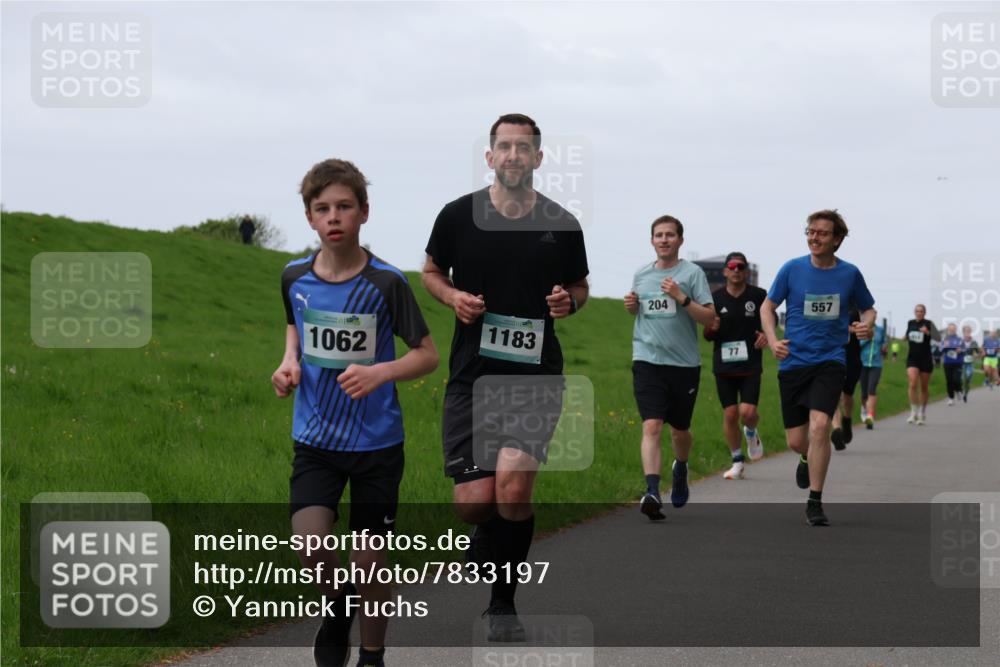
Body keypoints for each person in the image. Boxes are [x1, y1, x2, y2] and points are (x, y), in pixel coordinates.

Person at [421, 114, 589, 641]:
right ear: (490, 156)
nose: (514, 155)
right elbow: (429, 271)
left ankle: (502, 606)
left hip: (535, 375)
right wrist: (452, 297)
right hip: (472, 375)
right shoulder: (457, 216)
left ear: (539, 158)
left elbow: (580, 286)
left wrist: (569, 302)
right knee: (474, 503)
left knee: (513, 488)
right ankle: (486, 530)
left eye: (525, 148)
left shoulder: (561, 222)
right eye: (504, 147)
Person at [272, 159, 438, 667]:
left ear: (364, 212)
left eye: (344, 206)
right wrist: (288, 363)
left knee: (369, 563)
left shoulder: (387, 283)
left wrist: (380, 373)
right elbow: (296, 323)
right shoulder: (294, 277)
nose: (334, 216)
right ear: (309, 218)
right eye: (322, 208)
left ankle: (371, 655)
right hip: (316, 440)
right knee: (310, 546)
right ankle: (337, 609)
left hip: (376, 445)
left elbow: (427, 354)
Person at [761, 209, 875, 527]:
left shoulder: (849, 274)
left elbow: (869, 309)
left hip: (830, 360)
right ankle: (803, 457)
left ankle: (815, 500)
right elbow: (767, 307)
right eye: (810, 231)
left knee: (821, 426)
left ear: (837, 240)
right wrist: (772, 340)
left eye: (822, 233)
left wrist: (867, 326)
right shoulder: (792, 269)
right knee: (798, 441)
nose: (814, 237)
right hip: (794, 361)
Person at [625, 215, 714, 518]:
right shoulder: (641, 274)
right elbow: (643, 311)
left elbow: (709, 318)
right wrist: (633, 307)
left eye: (670, 235)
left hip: (684, 364)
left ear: (680, 240)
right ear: (652, 240)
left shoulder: (693, 274)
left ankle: (681, 468)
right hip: (647, 359)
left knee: (680, 431)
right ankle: (651, 490)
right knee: (651, 425)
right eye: (659, 235)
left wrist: (681, 297)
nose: (664, 240)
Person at [702, 251, 767, 480]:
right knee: (730, 414)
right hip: (724, 365)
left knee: (747, 412)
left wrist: (766, 335)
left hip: (750, 364)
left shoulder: (759, 295)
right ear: (725, 271)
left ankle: (751, 432)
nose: (736, 270)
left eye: (741, 267)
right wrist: (713, 328)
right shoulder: (715, 298)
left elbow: (771, 319)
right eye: (732, 266)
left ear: (746, 271)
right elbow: (707, 335)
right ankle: (737, 460)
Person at [830, 308, 862, 451]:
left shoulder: (855, 309)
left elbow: (867, 329)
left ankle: (847, 420)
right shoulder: (827, 303)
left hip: (852, 359)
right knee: (833, 395)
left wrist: (860, 329)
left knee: (847, 396)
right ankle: (837, 430)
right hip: (831, 357)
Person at [904, 305, 940, 425]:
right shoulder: (910, 323)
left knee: (924, 386)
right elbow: (907, 335)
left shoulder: (929, 323)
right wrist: (903, 338)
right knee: (913, 382)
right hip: (912, 358)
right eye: (917, 311)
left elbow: (938, 338)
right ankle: (913, 411)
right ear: (914, 312)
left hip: (925, 359)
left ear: (925, 312)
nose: (919, 313)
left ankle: (922, 412)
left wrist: (928, 332)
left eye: (921, 311)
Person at [858, 321, 887, 429]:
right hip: (862, 363)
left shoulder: (880, 330)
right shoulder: (861, 329)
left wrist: (884, 346)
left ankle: (870, 416)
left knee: (872, 389)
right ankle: (864, 409)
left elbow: (884, 341)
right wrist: (868, 338)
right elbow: (858, 345)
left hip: (876, 364)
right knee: (864, 392)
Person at [941, 323, 965, 406]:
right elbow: (940, 350)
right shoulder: (945, 339)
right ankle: (951, 398)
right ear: (948, 330)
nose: (952, 330)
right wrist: (944, 346)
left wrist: (960, 350)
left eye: (953, 329)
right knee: (949, 381)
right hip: (947, 363)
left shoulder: (960, 339)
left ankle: (959, 390)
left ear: (955, 330)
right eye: (950, 329)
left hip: (958, 362)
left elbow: (964, 349)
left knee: (956, 379)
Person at [960, 325, 980, 402]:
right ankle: (961, 388)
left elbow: (978, 352)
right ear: (963, 332)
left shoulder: (974, 342)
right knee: (962, 378)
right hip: (962, 363)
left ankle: (965, 394)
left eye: (969, 331)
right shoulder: (960, 341)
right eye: (966, 331)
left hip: (970, 363)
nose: (968, 332)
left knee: (968, 378)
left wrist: (976, 355)